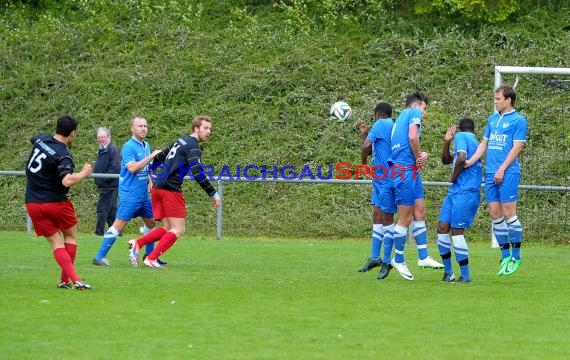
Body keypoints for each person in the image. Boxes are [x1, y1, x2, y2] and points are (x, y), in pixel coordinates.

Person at [128, 115, 221, 268]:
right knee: (178, 229)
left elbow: (160, 156)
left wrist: (151, 173)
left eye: (210, 128)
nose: (208, 131)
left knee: (167, 228)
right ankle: (151, 258)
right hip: (170, 190)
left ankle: (138, 243)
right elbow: (197, 173)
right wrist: (213, 193)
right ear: (196, 129)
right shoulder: (193, 146)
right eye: (205, 128)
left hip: (158, 187)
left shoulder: (181, 140)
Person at [465, 84, 528, 276]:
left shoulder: (519, 120)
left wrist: (501, 169)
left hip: (507, 172)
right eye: (495, 99)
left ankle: (517, 256)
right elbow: (484, 144)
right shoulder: (492, 119)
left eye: (498, 99)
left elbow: (517, 148)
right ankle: (505, 255)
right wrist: (469, 162)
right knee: (494, 213)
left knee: (509, 212)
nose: (495, 102)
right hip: (491, 173)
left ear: (509, 100)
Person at [25, 115, 93, 290]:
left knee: (56, 242)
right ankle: (69, 280)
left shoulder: (40, 139)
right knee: (70, 237)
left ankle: (67, 281)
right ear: (73, 133)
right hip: (56, 203)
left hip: (33, 204)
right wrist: (84, 173)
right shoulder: (63, 155)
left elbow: (33, 139)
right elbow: (67, 181)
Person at [388, 91, 443, 281]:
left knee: (420, 211)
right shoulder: (413, 113)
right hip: (404, 170)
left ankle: (423, 256)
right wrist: (420, 156)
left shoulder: (399, 119)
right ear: (417, 105)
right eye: (425, 108)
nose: (425, 113)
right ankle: (398, 259)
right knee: (405, 218)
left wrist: (418, 157)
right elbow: (412, 138)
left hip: (408, 169)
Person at [92, 116, 162, 266]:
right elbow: (132, 168)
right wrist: (151, 156)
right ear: (132, 129)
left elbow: (145, 167)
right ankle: (99, 257)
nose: (143, 128)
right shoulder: (128, 146)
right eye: (140, 126)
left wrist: (149, 179)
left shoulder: (146, 145)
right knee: (119, 225)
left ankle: (149, 256)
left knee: (151, 223)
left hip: (143, 195)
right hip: (130, 194)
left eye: (145, 125)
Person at [437, 119, 482, 283]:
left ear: (460, 129)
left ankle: (466, 275)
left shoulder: (462, 136)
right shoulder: (473, 141)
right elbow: (447, 160)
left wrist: (453, 177)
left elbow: (461, 159)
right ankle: (448, 273)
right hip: (455, 192)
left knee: (456, 232)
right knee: (442, 228)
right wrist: (447, 142)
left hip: (466, 191)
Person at [357, 102, 398, 280]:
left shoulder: (381, 124)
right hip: (381, 179)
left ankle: (387, 261)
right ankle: (375, 257)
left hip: (387, 179)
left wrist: (363, 165)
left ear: (376, 114)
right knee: (377, 215)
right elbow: (376, 147)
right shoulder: (391, 126)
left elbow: (366, 146)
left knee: (387, 219)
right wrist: (366, 133)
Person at [93, 127, 120, 236]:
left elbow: (115, 168)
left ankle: (98, 233)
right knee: (111, 211)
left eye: (103, 137)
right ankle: (117, 233)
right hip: (107, 185)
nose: (100, 139)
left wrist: (103, 180)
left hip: (109, 185)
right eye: (99, 137)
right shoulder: (103, 149)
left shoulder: (113, 149)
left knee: (102, 208)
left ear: (109, 137)